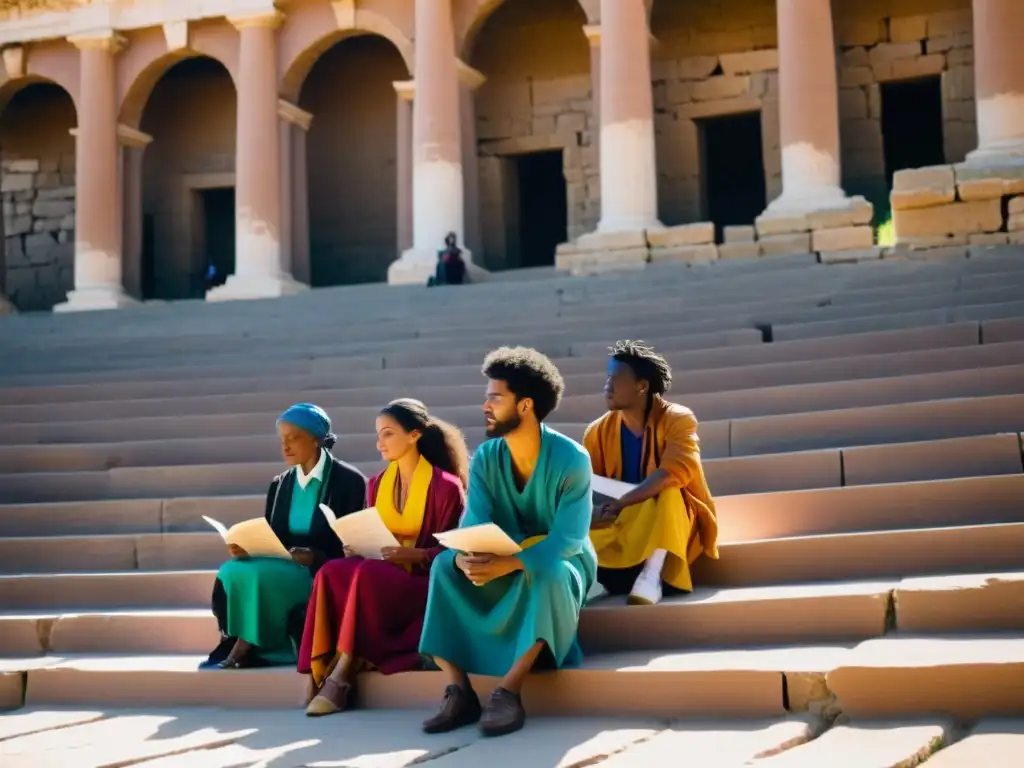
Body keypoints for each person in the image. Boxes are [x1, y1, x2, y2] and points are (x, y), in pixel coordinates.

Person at [418, 347, 596, 738]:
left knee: (548, 572)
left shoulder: (572, 459)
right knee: (444, 566)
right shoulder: (486, 456)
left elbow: (568, 540)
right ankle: (459, 690)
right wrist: (466, 554)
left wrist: (516, 563)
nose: (486, 405)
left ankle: (508, 691)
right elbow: (475, 521)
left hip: (560, 559)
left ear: (526, 405)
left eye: (495, 397)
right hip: (501, 552)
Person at [300, 399, 469, 716]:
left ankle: (342, 675)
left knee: (366, 575)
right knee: (332, 571)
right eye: (378, 435)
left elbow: (455, 549)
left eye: (388, 434)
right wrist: (355, 546)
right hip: (381, 576)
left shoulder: (446, 486)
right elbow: (373, 532)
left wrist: (416, 553)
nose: (380, 443)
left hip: (422, 583)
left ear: (415, 435)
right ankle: (319, 668)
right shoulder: (376, 484)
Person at [200, 403, 367, 669]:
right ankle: (241, 640)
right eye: (282, 440)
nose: (285, 447)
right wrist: (248, 548)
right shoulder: (280, 483)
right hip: (282, 562)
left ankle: (246, 646)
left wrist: (314, 555)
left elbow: (354, 540)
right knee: (233, 569)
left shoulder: (349, 481)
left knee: (257, 575)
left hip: (319, 569)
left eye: (294, 438)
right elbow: (271, 535)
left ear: (316, 440)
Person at [586, 341, 719, 606]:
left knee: (669, 491)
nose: (607, 386)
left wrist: (623, 500)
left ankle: (652, 575)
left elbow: (673, 473)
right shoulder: (597, 431)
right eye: (607, 378)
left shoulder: (678, 419)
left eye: (616, 379)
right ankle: (592, 577)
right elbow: (590, 487)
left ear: (642, 386)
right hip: (624, 521)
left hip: (671, 520)